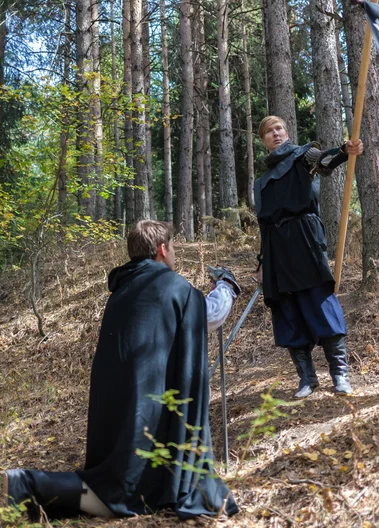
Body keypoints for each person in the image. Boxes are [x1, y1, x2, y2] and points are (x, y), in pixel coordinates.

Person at [3, 220, 240, 521]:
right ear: (162, 249)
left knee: (117, 483)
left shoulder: (122, 290)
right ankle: (30, 483)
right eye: (174, 248)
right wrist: (227, 288)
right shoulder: (171, 286)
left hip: (115, 400)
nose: (175, 254)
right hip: (147, 402)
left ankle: (31, 488)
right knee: (119, 492)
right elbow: (208, 315)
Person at [255, 115, 363, 398]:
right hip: (276, 247)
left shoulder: (303, 155)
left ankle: (339, 375)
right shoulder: (262, 182)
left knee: (320, 303)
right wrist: (262, 262)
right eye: (269, 131)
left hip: (304, 237)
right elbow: (263, 223)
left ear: (287, 132)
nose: (275, 134)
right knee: (287, 310)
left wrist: (344, 151)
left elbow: (324, 161)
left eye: (279, 128)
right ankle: (306, 379)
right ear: (263, 140)